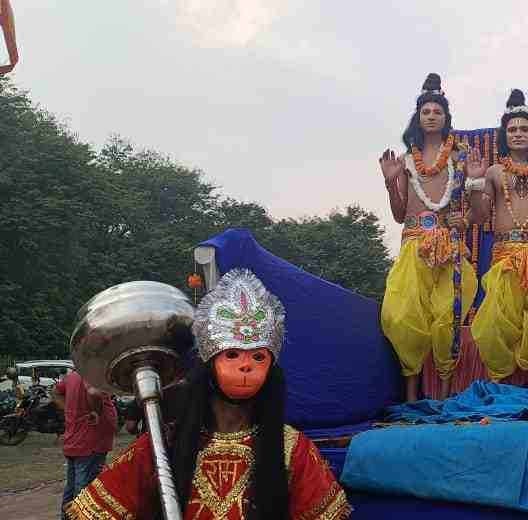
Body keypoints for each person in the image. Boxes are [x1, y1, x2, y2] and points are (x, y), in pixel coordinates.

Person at [68, 269, 350, 520]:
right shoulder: (163, 445)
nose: (246, 365)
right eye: (232, 354)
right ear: (209, 365)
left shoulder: (293, 449)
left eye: (258, 357)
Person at [378, 73, 483, 401]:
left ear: (446, 118)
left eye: (438, 111)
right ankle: (411, 397)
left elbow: (478, 214)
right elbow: (399, 214)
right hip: (413, 244)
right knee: (402, 315)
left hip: (447, 247)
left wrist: (465, 217)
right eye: (426, 111)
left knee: (447, 318)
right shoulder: (407, 160)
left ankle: (445, 397)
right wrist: (390, 182)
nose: (432, 116)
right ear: (418, 117)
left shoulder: (458, 159)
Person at [468, 89, 528, 390]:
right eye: (512, 130)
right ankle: (502, 391)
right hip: (504, 258)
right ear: (504, 136)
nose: (518, 134)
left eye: (524, 129)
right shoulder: (494, 172)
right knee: (497, 325)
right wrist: (474, 181)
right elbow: (480, 216)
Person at [55, 368, 116, 519]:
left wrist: (69, 409)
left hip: (76, 441)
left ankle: (67, 517)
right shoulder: (92, 373)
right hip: (90, 443)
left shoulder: (72, 376)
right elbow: (93, 392)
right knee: (85, 490)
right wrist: (96, 412)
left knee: (72, 487)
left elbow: (55, 393)